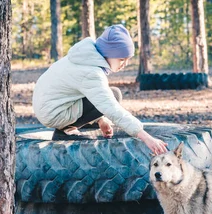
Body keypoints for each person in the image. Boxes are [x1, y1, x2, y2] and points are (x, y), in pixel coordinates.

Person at [32, 24, 168, 156]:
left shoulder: (84, 57)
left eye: (127, 59)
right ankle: (65, 131)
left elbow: (90, 95)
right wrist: (146, 137)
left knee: (111, 93)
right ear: (109, 53)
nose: (124, 64)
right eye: (121, 59)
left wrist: (100, 120)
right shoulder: (91, 72)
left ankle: (73, 126)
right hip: (53, 113)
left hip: (51, 105)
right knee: (113, 96)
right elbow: (111, 107)